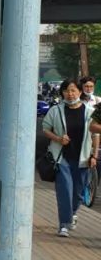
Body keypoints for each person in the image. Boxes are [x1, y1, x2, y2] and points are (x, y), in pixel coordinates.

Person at [41, 79, 96, 236]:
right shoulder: (56, 110)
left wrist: (94, 155)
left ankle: (72, 214)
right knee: (65, 190)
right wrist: (58, 139)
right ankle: (64, 224)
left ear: (80, 92)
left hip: (83, 158)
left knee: (78, 193)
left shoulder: (89, 111)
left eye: (73, 90)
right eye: (66, 90)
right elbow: (45, 129)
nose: (70, 94)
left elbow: (95, 134)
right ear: (62, 93)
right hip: (61, 158)